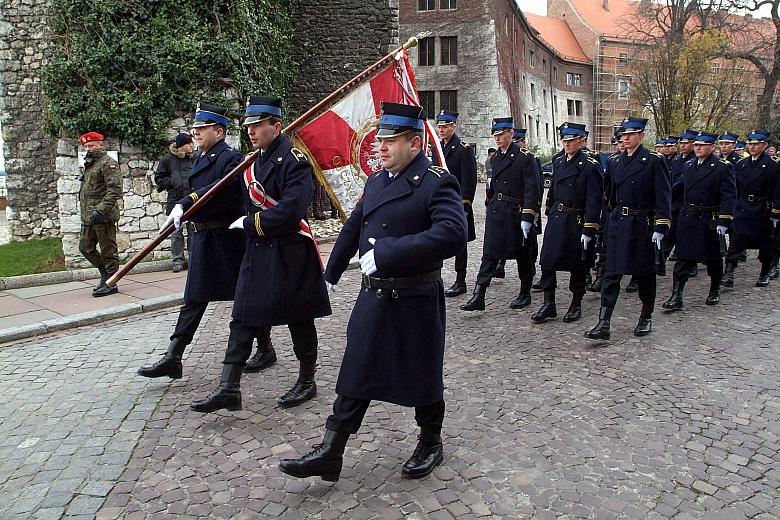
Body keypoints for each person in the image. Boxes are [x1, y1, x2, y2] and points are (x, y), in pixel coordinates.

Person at [278, 102, 467, 482]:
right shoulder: (377, 180)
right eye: (379, 139)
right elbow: (354, 224)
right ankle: (332, 450)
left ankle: (431, 440)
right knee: (357, 369)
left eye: (389, 140)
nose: (379, 146)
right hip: (374, 296)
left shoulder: (436, 181)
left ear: (414, 144)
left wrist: (388, 252)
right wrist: (328, 272)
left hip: (415, 297)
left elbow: (452, 233)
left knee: (422, 374)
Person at [186, 96, 332, 413]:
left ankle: (307, 380)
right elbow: (223, 192)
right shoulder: (251, 162)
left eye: (257, 126)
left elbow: (291, 211)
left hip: (290, 249)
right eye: (248, 126)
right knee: (242, 316)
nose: (251, 132)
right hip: (257, 250)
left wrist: (252, 222)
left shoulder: (295, 161)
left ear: (276, 126)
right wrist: (188, 204)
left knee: (299, 318)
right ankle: (228, 387)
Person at [138, 103, 277, 382]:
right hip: (203, 238)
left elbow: (222, 192)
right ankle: (173, 356)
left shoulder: (231, 158)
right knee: (194, 298)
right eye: (195, 129)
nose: (196, 133)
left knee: (244, 297)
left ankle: (264, 348)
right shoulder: (200, 158)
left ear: (219, 130)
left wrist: (187, 201)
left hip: (227, 239)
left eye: (201, 129)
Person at [585, 116, 671, 340]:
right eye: (623, 134)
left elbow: (663, 196)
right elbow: (609, 194)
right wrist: (606, 221)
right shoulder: (614, 161)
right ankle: (603, 323)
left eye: (631, 134)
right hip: (619, 224)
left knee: (644, 275)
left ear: (641, 136)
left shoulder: (653, 160)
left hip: (642, 225)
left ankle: (646, 316)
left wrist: (661, 225)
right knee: (611, 274)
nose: (626, 138)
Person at [461, 117, 540, 311]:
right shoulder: (496, 157)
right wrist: (490, 202)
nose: (497, 138)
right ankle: (478, 295)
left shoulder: (524, 157)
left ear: (511, 134)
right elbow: (492, 186)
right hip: (498, 211)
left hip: (516, 212)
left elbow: (533, 188)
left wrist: (528, 216)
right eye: (495, 135)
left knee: (523, 255)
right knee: (489, 253)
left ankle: (525, 292)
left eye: (501, 134)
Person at [531, 123, 602, 324]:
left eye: (572, 140)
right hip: (558, 218)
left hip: (577, 220)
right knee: (547, 261)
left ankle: (576, 303)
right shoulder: (559, 161)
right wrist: (549, 209)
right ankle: (548, 303)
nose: (567, 144)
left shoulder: (590, 165)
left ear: (582, 141)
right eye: (565, 140)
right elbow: (553, 190)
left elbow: (594, 199)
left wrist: (590, 227)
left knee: (577, 265)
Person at [662, 131, 735, 310]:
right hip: (689, 218)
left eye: (702, 145)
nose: (698, 148)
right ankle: (676, 295)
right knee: (683, 259)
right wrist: (662, 198)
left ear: (712, 147)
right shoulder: (689, 165)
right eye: (696, 145)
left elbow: (729, 196)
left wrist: (724, 221)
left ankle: (714, 289)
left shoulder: (722, 167)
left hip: (709, 219)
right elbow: (679, 187)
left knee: (713, 260)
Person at [723, 130, 780, 287]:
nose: (752, 146)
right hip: (743, 208)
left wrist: (776, 212)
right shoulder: (742, 164)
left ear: (765, 145)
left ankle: (765, 272)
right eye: (750, 143)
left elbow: (778, 191)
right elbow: (735, 188)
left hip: (762, 209)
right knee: (736, 242)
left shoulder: (773, 166)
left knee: (765, 245)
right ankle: (729, 273)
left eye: (756, 144)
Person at [432, 111, 477, 297]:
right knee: (435, 239)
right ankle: (436, 277)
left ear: (454, 126)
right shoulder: (437, 148)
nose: (441, 130)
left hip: (457, 202)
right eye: (439, 127)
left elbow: (469, 179)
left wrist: (465, 204)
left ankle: (461, 280)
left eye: (445, 126)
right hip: (439, 202)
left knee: (460, 243)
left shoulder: (463, 149)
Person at [77, 132, 122, 297]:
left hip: (103, 215)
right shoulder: (91, 164)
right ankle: (105, 274)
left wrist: (101, 209)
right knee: (85, 248)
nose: (88, 149)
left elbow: (115, 190)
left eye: (91, 145)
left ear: (100, 145)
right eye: (86, 146)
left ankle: (111, 282)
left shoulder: (108, 163)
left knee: (108, 250)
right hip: (89, 216)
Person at [154, 132, 194, 272]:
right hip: (174, 200)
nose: (191, 146)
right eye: (189, 143)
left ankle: (193, 259)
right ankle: (178, 260)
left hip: (191, 200)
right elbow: (159, 178)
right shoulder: (167, 160)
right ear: (181, 146)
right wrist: (172, 182)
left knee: (192, 231)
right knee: (176, 232)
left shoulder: (193, 159)